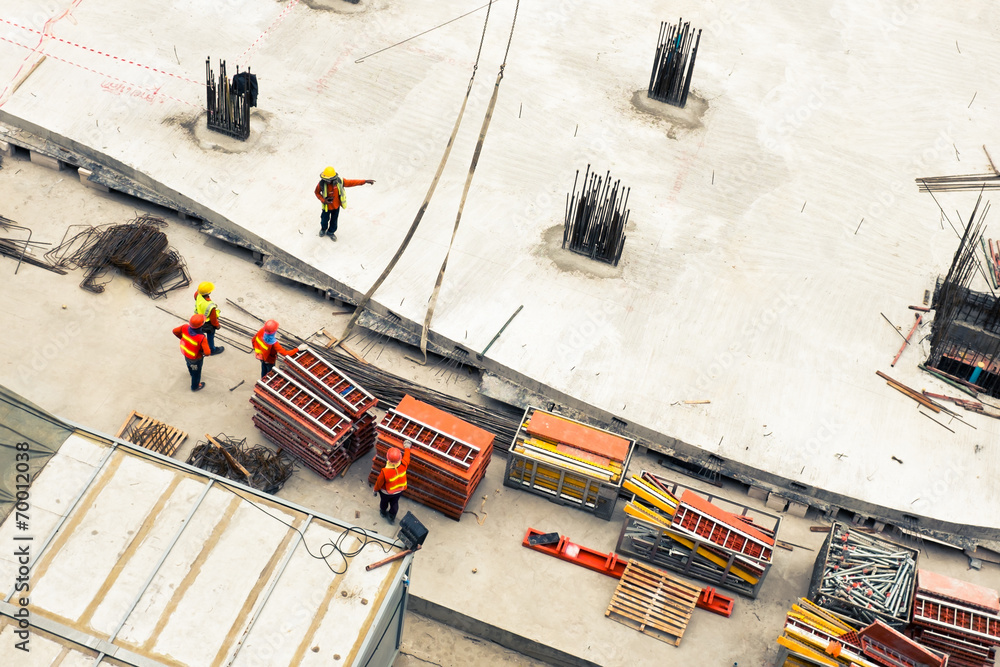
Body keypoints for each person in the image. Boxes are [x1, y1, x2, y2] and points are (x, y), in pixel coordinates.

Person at [314, 166, 375, 241]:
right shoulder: (321, 184)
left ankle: (331, 232)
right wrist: (323, 200)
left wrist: (365, 181)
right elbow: (316, 192)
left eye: (327, 180)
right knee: (324, 220)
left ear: (333, 178)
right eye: (324, 179)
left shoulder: (340, 181)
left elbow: (352, 182)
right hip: (326, 208)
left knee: (334, 221)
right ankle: (323, 229)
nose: (325, 181)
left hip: (336, 207)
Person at [372, 442, 411, 524]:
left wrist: (375, 491)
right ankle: (391, 517)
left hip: (386, 492)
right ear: (400, 458)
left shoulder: (385, 472)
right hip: (398, 491)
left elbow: (379, 483)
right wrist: (407, 447)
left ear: (387, 458)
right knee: (394, 504)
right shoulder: (404, 465)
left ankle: (383, 512)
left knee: (384, 502)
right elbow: (407, 457)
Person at [173, 314, 212, 391]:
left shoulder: (184, 327)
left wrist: (183, 338)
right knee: (196, 373)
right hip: (195, 358)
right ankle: (195, 386)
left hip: (186, 353)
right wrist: (202, 352)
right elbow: (207, 353)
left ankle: (191, 372)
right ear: (201, 325)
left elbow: (174, 331)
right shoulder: (201, 338)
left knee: (189, 364)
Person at [194, 282, 225, 355]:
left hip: (198, 319)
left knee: (200, 334)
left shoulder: (197, 295)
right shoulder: (210, 306)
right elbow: (213, 320)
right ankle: (212, 350)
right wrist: (217, 326)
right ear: (209, 292)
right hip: (208, 323)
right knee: (210, 336)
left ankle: (200, 346)